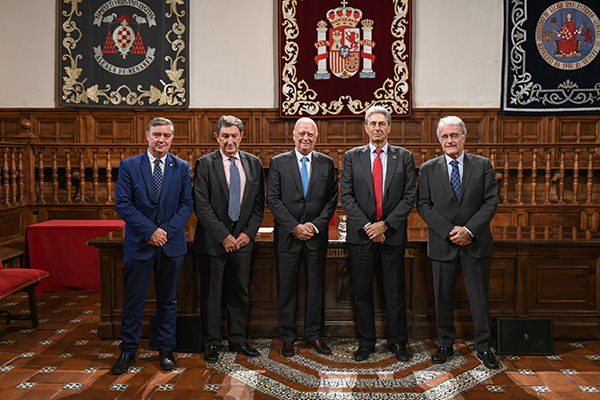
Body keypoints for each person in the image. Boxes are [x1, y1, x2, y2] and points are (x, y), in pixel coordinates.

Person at [417, 116, 499, 369]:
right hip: (443, 243)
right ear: (439, 140)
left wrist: (468, 230)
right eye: (444, 136)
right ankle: (445, 344)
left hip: (475, 243)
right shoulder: (428, 168)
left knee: (479, 299)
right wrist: (449, 230)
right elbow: (423, 205)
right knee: (443, 299)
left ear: (464, 137)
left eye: (454, 135)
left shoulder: (483, 165)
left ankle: (484, 347)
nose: (449, 140)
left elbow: (490, 202)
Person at [112, 117, 193, 374]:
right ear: (147, 136)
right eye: (157, 134)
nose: (161, 140)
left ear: (172, 139)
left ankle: (166, 349)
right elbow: (124, 204)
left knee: (168, 301)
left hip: (170, 244)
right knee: (134, 300)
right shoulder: (129, 166)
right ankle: (128, 351)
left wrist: (164, 232)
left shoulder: (181, 167)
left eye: (167, 135)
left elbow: (187, 205)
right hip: (140, 244)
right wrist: (150, 231)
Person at [340, 105, 416, 362]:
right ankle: (366, 342)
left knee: (394, 292)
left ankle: (397, 342)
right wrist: (369, 227)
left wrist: (385, 225)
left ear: (389, 127)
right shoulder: (352, 156)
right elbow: (346, 196)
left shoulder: (403, 157)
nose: (377, 128)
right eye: (372, 124)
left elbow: (408, 197)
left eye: (382, 124)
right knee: (362, 292)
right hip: (361, 236)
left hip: (392, 235)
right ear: (365, 128)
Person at [193, 115, 265, 363]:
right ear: (217, 137)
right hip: (213, 242)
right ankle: (212, 342)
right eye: (225, 136)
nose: (230, 141)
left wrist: (247, 234)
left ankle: (237, 339)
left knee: (240, 292)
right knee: (212, 294)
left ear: (241, 136)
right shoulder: (204, 164)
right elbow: (201, 206)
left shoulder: (254, 163)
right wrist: (224, 236)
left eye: (234, 135)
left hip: (243, 243)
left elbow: (258, 205)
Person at [266, 117, 338, 357]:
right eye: (301, 133)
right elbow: (273, 199)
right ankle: (288, 337)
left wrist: (315, 226)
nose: (305, 138)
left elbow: (331, 200)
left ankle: (314, 335)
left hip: (316, 237)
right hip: (288, 236)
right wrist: (294, 226)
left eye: (310, 134)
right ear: (293, 135)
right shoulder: (278, 162)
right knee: (287, 288)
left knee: (315, 288)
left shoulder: (327, 163)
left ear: (316, 137)